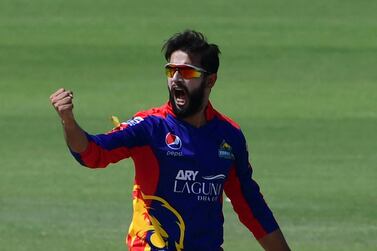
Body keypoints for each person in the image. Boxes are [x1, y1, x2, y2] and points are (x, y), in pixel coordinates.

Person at [50, 30, 290, 251]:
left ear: (210, 81)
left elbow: (252, 207)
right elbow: (92, 153)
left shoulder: (229, 136)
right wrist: (68, 122)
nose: (175, 79)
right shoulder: (150, 127)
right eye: (170, 70)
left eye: (186, 72)